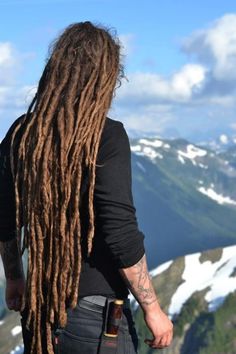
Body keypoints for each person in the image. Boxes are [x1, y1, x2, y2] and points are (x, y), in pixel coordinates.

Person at [0, 22, 173, 354]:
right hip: (97, 320)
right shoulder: (107, 137)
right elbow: (120, 232)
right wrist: (152, 308)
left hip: (40, 311)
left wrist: (15, 278)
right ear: (105, 77)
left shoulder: (22, 135)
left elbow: (4, 215)